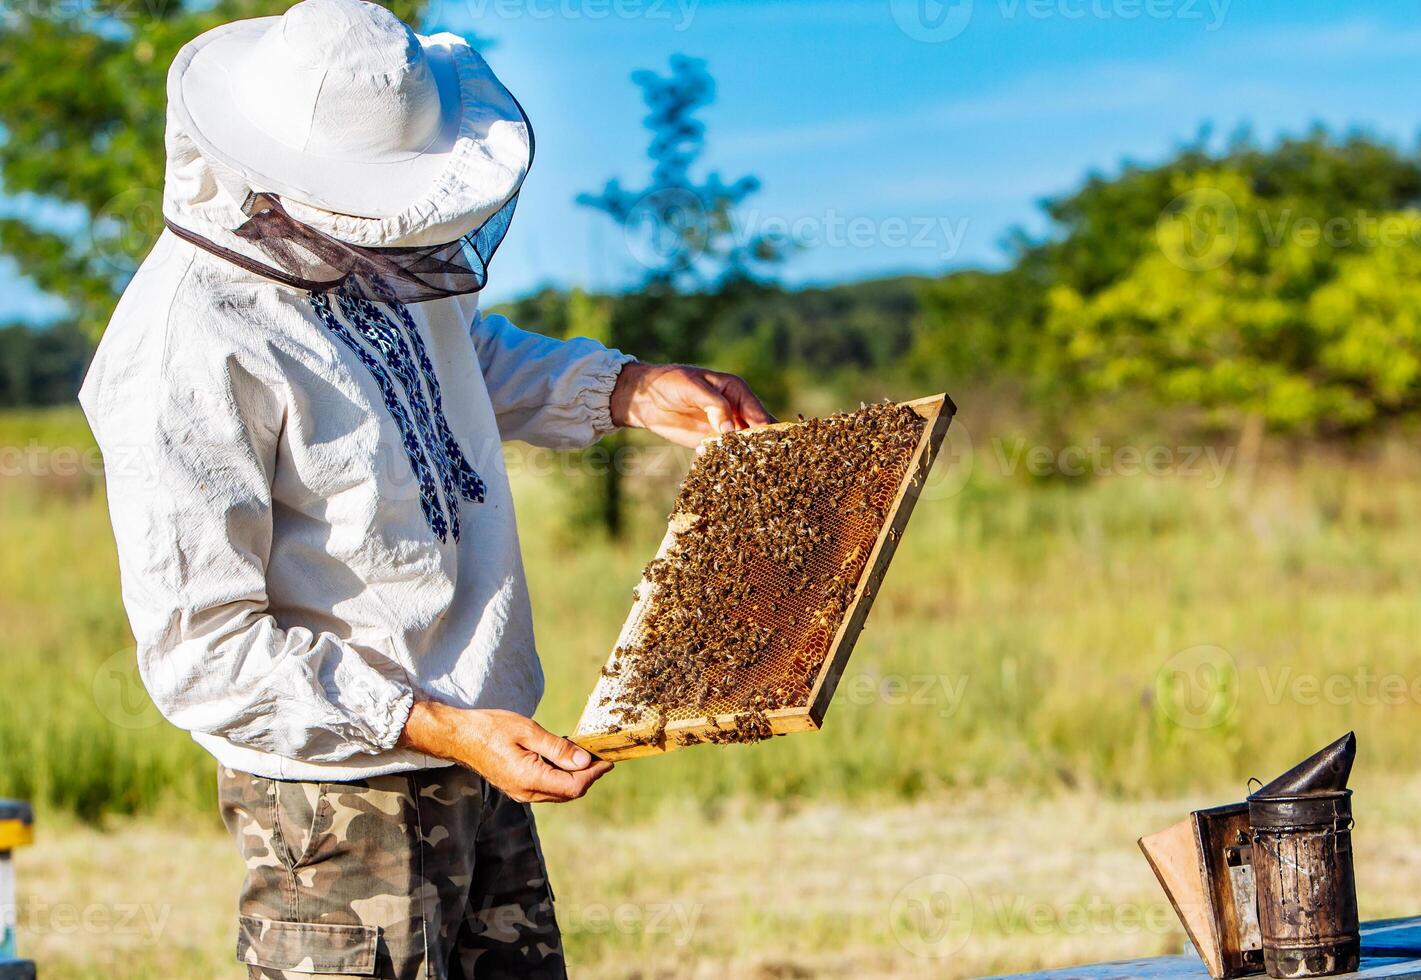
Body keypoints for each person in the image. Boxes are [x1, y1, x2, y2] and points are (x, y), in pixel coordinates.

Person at [77, 1, 773, 976]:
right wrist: (441, 723)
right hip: (336, 804)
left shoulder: (362, 261)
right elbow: (206, 651)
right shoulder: (182, 353)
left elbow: (452, 355)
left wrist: (621, 386)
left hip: (478, 759)